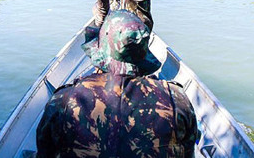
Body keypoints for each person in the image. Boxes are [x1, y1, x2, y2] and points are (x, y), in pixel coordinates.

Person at [36, 9, 199, 158]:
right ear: (143, 53)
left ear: (100, 53)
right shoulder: (176, 100)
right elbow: (187, 152)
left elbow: (44, 152)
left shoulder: (63, 101)